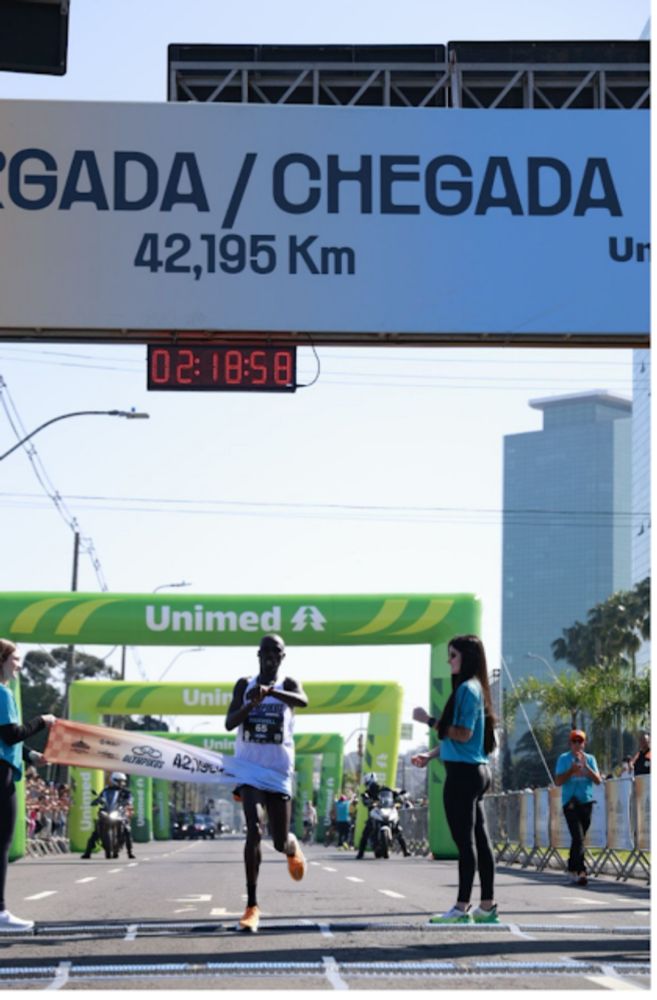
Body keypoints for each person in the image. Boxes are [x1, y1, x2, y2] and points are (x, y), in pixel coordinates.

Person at [411, 634, 499, 924]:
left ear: (466, 658)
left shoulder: (466, 690)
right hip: (477, 771)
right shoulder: (476, 689)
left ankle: (461, 908)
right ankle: (486, 908)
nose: (449, 660)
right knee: (480, 841)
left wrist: (429, 720)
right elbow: (463, 741)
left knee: (466, 844)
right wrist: (431, 754)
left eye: (453, 655)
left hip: (463, 776)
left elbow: (463, 733)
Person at [225, 633, 308, 933]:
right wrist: (252, 702)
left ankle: (290, 846)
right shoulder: (243, 685)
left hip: (278, 770)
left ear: (283, 657)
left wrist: (272, 692)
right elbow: (230, 722)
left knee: (277, 839)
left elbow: (304, 701)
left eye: (276, 652)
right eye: (265, 652)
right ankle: (252, 905)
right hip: (249, 769)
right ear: (257, 655)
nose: (270, 657)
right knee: (254, 829)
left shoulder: (288, 684)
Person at [0, 639, 56, 931]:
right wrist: (43, 721)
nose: (19, 665)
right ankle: (0, 914)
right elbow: (12, 735)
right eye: (15, 659)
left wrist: (32, 756)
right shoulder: (2, 693)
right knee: (2, 843)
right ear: (1, 661)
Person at [554, 729, 601, 887]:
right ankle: (581, 871)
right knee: (578, 837)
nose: (577, 745)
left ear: (584, 743)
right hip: (570, 803)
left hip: (586, 803)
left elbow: (598, 780)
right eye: (574, 741)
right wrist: (571, 771)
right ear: (570, 744)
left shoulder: (590, 759)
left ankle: (571, 865)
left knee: (578, 839)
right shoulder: (564, 759)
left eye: (580, 741)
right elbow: (558, 781)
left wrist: (587, 768)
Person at [81, 771, 135, 859]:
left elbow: (130, 799)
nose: (121, 783)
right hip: (107, 811)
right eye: (120, 781)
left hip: (119, 812)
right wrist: (97, 800)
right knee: (97, 830)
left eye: (122, 781)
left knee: (127, 829)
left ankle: (130, 852)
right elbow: (101, 797)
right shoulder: (106, 790)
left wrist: (128, 802)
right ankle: (87, 852)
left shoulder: (126, 792)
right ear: (114, 780)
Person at [355, 773, 410, 858]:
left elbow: (394, 794)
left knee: (397, 829)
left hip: (387, 810)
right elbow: (364, 798)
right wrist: (366, 800)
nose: (369, 784)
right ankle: (360, 853)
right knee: (366, 832)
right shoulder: (368, 792)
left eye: (367, 782)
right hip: (375, 812)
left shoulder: (384, 789)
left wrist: (401, 796)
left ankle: (405, 850)